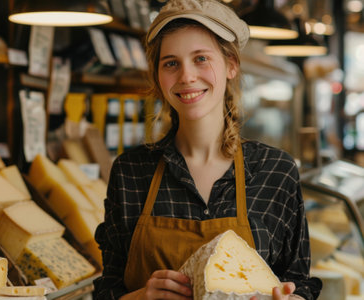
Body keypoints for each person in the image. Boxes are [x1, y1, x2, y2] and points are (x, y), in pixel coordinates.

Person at [93, 0, 322, 299]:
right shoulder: (131, 171)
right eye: (171, 63)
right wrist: (141, 297)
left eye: (201, 58)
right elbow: (107, 289)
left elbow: (300, 280)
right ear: (158, 76)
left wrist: (293, 296)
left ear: (231, 65)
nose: (186, 76)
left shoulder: (275, 170)